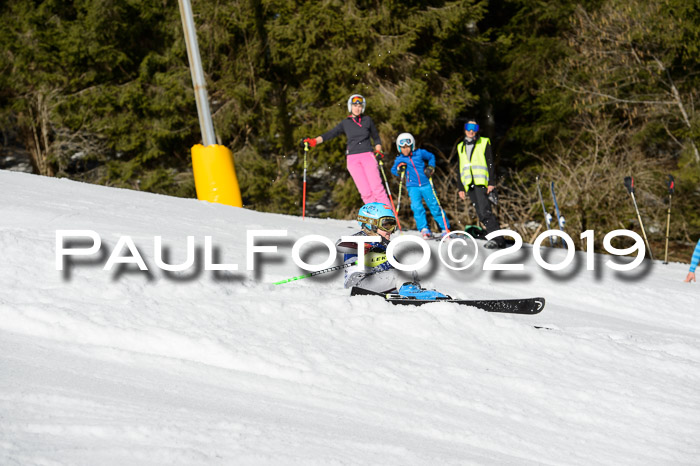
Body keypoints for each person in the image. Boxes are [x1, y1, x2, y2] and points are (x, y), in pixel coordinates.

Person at [336, 202, 447, 298]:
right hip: (359, 286)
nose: (390, 231)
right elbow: (341, 245)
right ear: (370, 224)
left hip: (378, 284)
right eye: (386, 225)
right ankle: (409, 294)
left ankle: (414, 292)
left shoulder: (384, 245)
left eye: (392, 225)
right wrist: (369, 246)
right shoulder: (358, 240)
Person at [303, 94, 390, 205]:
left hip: (367, 156)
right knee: (365, 192)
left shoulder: (367, 120)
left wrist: (378, 151)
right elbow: (331, 134)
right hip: (353, 160)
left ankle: (388, 216)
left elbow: (376, 138)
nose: (357, 108)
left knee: (377, 189)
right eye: (355, 105)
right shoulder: (345, 123)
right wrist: (314, 141)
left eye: (360, 106)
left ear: (362, 107)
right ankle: (374, 217)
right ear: (350, 106)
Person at [390, 132, 450, 239]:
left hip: (426, 185)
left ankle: (445, 228)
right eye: (402, 147)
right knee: (417, 207)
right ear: (399, 148)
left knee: (434, 206)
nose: (405, 149)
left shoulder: (420, 153)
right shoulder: (400, 159)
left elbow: (431, 156)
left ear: (412, 145)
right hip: (412, 187)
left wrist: (431, 167)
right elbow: (393, 170)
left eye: (407, 147)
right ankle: (424, 229)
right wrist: (400, 169)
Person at [456, 118, 505, 249]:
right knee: (480, 213)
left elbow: (490, 163)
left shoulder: (483, 142)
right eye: (468, 127)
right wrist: (460, 187)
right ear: (465, 129)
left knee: (485, 212)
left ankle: (498, 239)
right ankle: (494, 236)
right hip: (469, 184)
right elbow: (460, 168)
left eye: (474, 128)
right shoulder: (460, 146)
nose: (471, 131)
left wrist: (491, 182)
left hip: (481, 183)